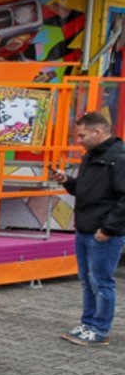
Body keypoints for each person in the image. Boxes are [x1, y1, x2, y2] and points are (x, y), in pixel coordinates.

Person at [53, 111, 125, 346]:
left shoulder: (119, 158)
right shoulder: (90, 157)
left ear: (98, 132)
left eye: (83, 135)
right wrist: (68, 182)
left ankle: (99, 329)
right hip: (85, 228)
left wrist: (108, 229)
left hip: (103, 233)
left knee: (101, 281)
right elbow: (84, 190)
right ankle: (87, 324)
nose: (79, 140)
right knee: (87, 280)